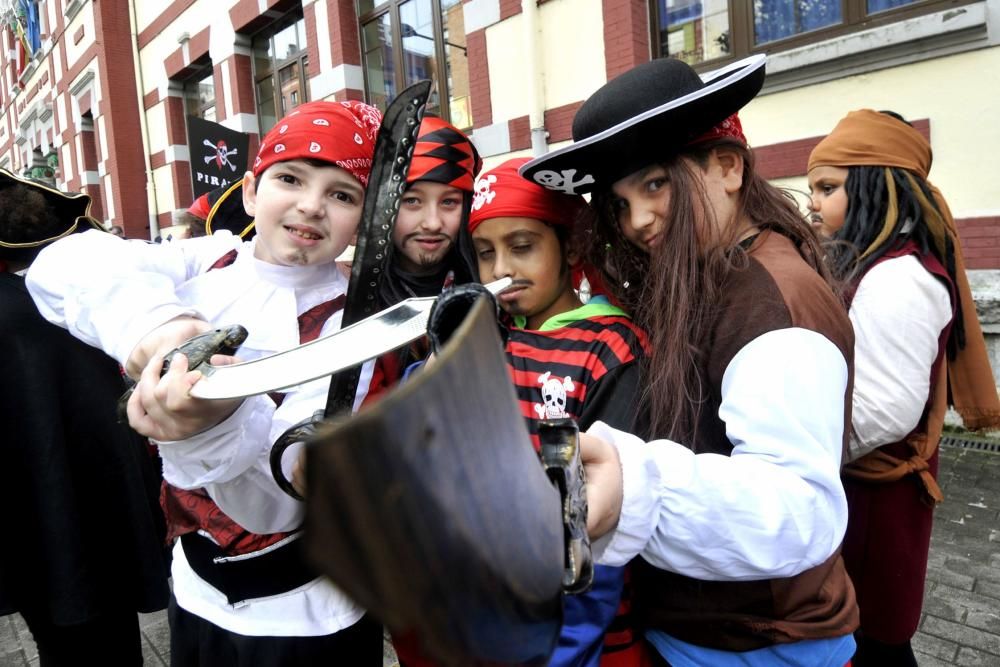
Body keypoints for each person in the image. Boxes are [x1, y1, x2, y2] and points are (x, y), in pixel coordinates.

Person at [520, 54, 860, 665]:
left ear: (726, 167)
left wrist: (637, 489)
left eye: (655, 184)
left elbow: (799, 508)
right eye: (619, 203)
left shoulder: (770, 302)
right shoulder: (707, 272)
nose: (638, 221)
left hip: (758, 643)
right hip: (702, 629)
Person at [27, 100, 385, 665]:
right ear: (249, 192)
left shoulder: (355, 326)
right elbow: (63, 264)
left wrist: (209, 426)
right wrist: (157, 328)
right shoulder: (211, 259)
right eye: (290, 178)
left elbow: (279, 504)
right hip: (194, 592)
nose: (311, 206)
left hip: (312, 612)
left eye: (342, 194)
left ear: (362, 219)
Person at [806, 109, 1000, 666]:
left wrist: (798, 456)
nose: (814, 202)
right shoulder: (879, 266)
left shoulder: (899, 279)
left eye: (827, 187)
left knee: (876, 641)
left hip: (874, 495)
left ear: (873, 186)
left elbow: (883, 411)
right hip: (864, 488)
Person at [469, 157, 650, 666]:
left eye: (522, 247)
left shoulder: (612, 346)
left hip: (587, 624)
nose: (502, 269)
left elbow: (608, 500)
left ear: (570, 246)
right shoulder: (495, 336)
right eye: (485, 254)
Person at [0, 169, 170, 665]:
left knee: (61, 643)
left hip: (30, 507)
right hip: (103, 491)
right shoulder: (84, 287)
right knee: (114, 638)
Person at [365, 115, 481, 396]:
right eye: (412, 201)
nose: (432, 222)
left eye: (449, 202)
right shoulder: (354, 302)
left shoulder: (489, 286)